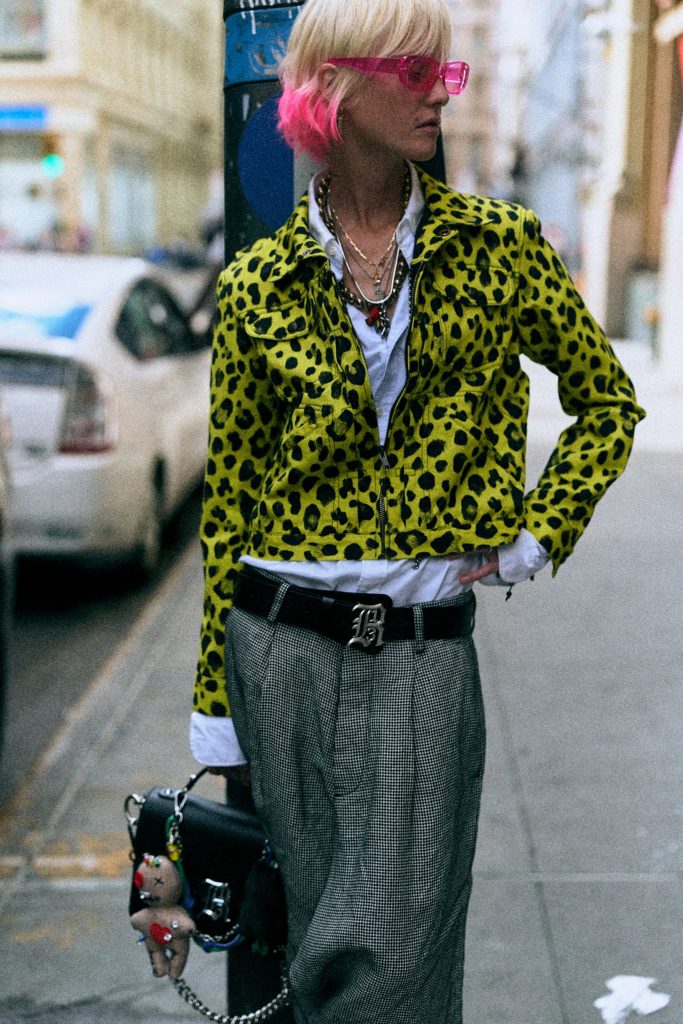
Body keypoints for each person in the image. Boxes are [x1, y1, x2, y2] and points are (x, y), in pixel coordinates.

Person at [189, 1, 645, 1021]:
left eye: (443, 70)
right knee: (317, 945)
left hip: (421, 652)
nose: (437, 90)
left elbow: (607, 403)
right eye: (410, 70)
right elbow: (231, 504)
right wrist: (215, 704)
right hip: (278, 648)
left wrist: (536, 535)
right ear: (335, 89)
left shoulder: (498, 245)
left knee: (397, 962)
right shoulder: (258, 283)